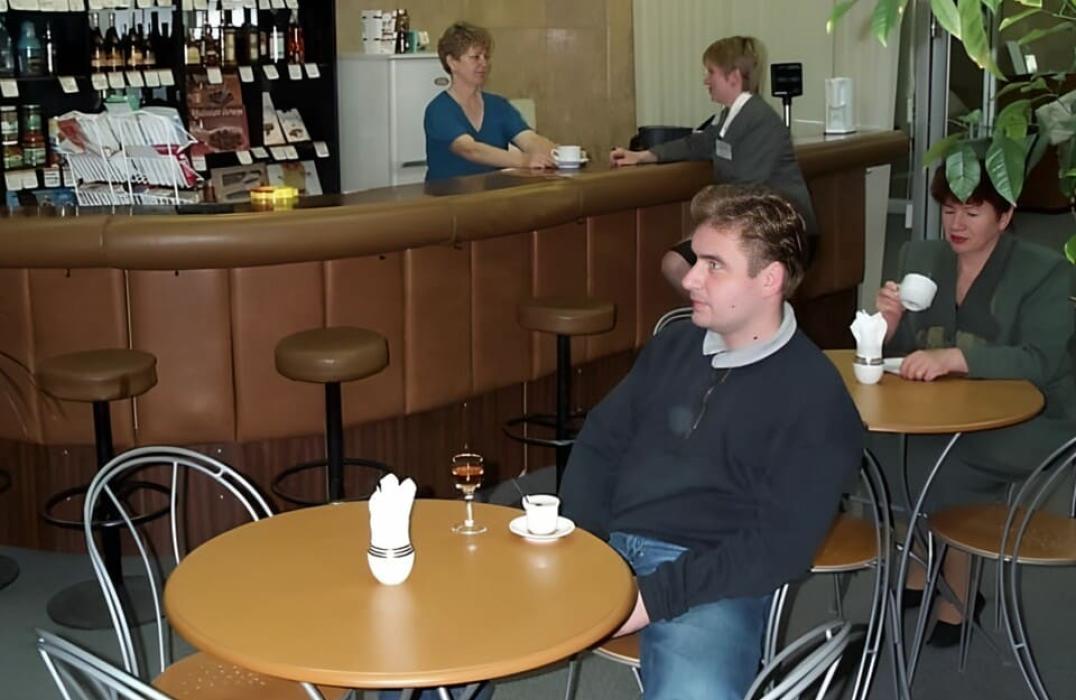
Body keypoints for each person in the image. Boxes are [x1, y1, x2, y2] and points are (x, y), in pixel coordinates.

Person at [560, 184, 863, 700]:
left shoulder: (815, 396)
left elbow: (777, 548)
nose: (690, 278)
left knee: (696, 693)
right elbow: (600, 444)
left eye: (713, 265)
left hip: (712, 577)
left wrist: (650, 598)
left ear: (769, 279)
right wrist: (580, 540)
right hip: (604, 543)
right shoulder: (674, 345)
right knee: (450, 618)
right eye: (695, 258)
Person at [875, 165, 1076, 645]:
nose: (956, 224)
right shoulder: (920, 257)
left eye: (972, 212)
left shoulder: (1045, 271)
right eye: (948, 210)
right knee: (880, 447)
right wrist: (887, 326)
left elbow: (1041, 361)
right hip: (942, 408)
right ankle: (922, 561)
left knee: (944, 461)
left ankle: (959, 593)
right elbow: (905, 354)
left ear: (1004, 216)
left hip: (1034, 417)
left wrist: (957, 358)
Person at [608, 36, 818, 294]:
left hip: (781, 234)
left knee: (679, 265)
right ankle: (717, 315)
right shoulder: (731, 114)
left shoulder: (760, 120)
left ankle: (724, 315)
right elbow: (699, 143)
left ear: (734, 77)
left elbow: (749, 188)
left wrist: (707, 211)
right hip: (746, 227)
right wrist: (645, 156)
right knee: (675, 265)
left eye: (711, 72)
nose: (706, 81)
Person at [424, 22, 555, 181]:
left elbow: (529, 139)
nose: (484, 63)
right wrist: (524, 161)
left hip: (494, 194)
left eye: (486, 57)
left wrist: (557, 153)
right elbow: (469, 149)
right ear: (452, 62)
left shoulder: (498, 105)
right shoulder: (439, 110)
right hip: (449, 196)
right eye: (475, 57)